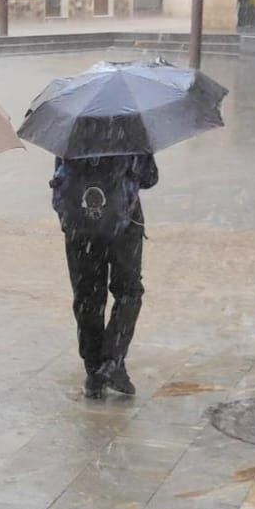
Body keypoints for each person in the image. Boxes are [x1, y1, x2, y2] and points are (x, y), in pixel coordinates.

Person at [49, 153, 158, 399]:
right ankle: (112, 360)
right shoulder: (130, 125)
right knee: (129, 292)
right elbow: (150, 177)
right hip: (124, 221)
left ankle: (94, 371)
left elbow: (60, 177)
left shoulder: (69, 128)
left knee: (88, 296)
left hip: (80, 225)